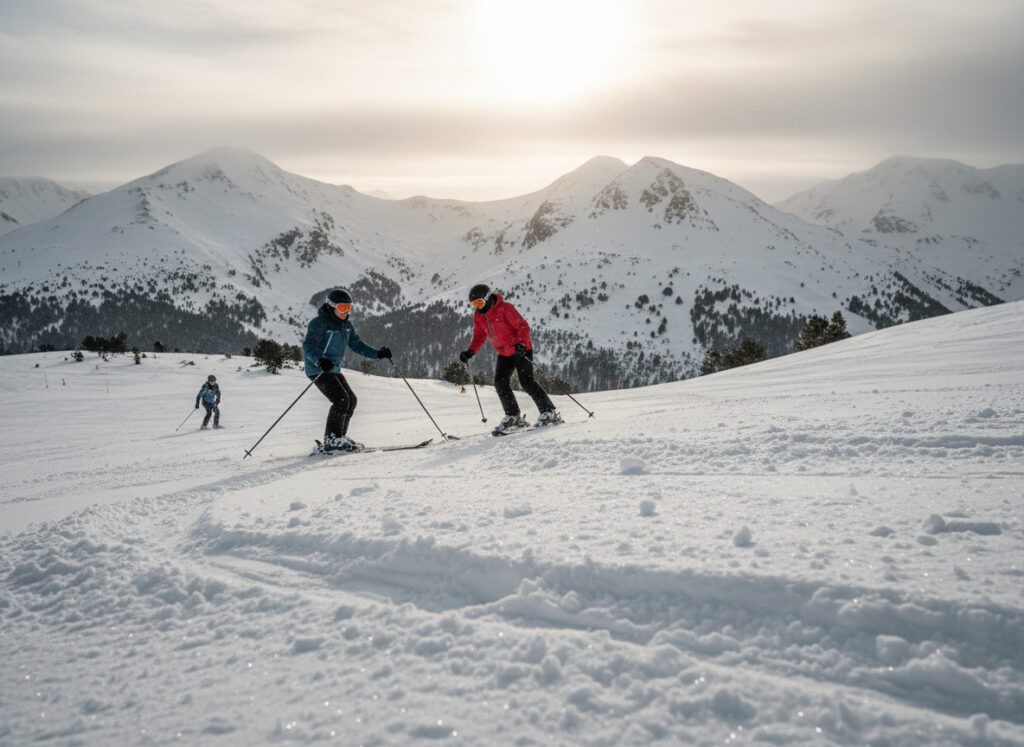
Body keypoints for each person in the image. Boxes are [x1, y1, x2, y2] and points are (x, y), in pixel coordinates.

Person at [459, 283, 561, 433]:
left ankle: (549, 412)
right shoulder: (479, 316)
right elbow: (479, 336)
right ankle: (513, 416)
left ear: (487, 298)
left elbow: (523, 326)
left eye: (479, 303)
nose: (477, 307)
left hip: (520, 350)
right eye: (474, 304)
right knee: (500, 383)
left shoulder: (505, 309)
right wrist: (470, 351)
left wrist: (521, 344)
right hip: (504, 353)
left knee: (526, 382)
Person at [303, 288, 392, 451]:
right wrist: (320, 360)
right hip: (318, 370)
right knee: (341, 399)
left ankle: (339, 437)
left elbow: (357, 345)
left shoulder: (346, 326)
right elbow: (308, 345)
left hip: (334, 369)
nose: (346, 312)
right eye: (342, 308)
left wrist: (378, 354)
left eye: (349, 308)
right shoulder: (319, 323)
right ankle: (332, 440)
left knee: (351, 400)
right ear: (331, 306)